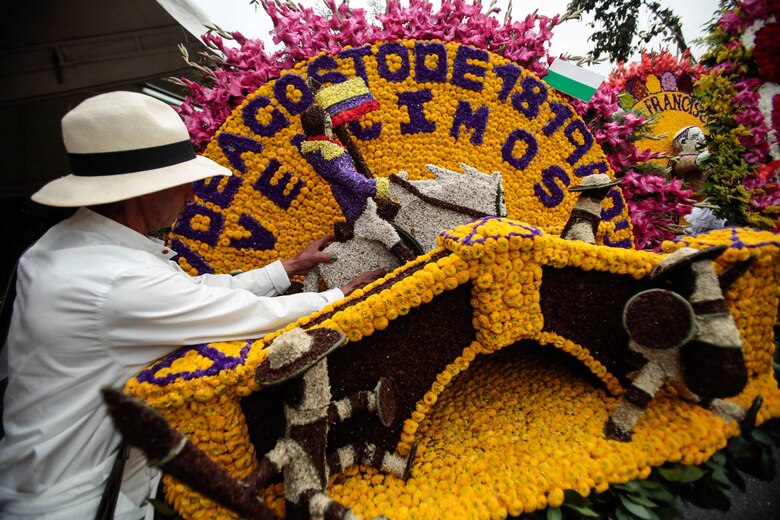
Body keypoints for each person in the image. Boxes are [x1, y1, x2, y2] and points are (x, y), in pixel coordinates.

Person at [0, 91, 384, 519]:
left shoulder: (69, 246)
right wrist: (340, 297)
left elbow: (189, 291)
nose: (191, 193)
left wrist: (288, 267)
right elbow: (240, 318)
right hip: (78, 505)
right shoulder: (116, 282)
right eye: (181, 181)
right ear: (137, 192)